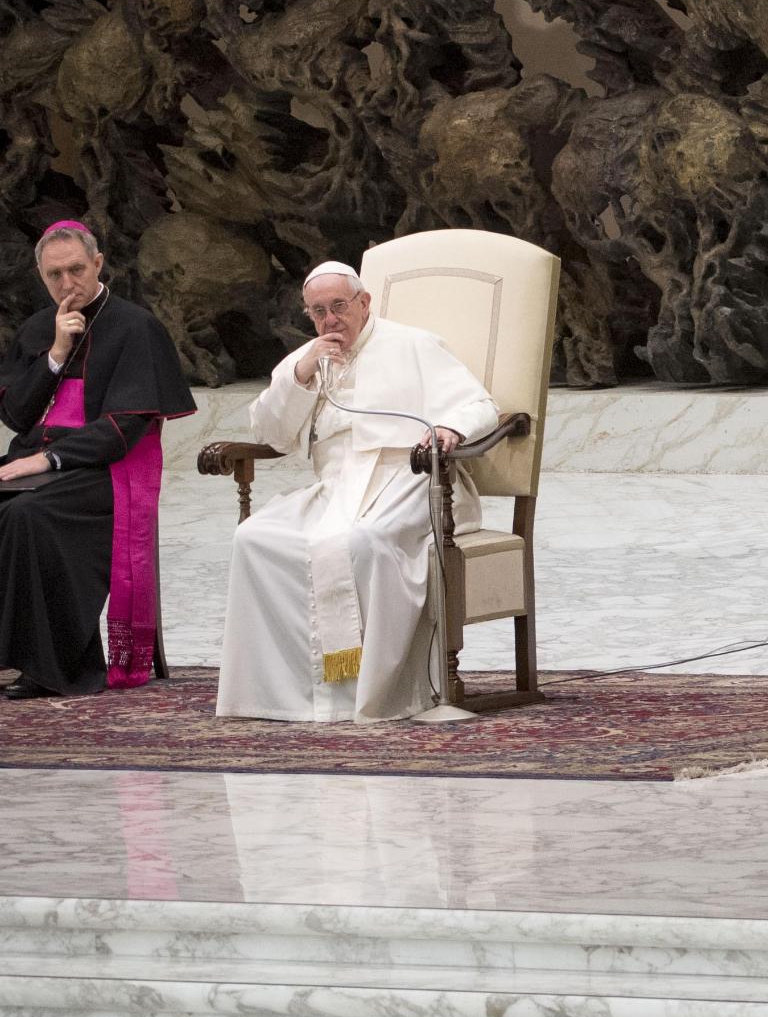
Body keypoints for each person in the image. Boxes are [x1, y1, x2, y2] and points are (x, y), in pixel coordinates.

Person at [214, 261, 502, 723]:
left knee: (361, 543)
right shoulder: (309, 357)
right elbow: (271, 432)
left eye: (339, 306)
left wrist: (450, 426)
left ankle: (371, 692)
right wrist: (301, 376)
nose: (330, 319)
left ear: (364, 303)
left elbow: (480, 405)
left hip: (407, 480)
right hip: (336, 489)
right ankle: (284, 695)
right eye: (318, 311)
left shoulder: (413, 345)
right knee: (254, 539)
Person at [0, 220, 193, 698]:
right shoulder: (35, 329)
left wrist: (49, 460)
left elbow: (125, 427)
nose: (67, 284)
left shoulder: (136, 326)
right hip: (34, 462)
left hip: (102, 472)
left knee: (29, 515)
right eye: (54, 276)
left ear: (99, 264)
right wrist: (55, 354)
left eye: (76, 270)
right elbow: (15, 414)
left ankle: (53, 666)